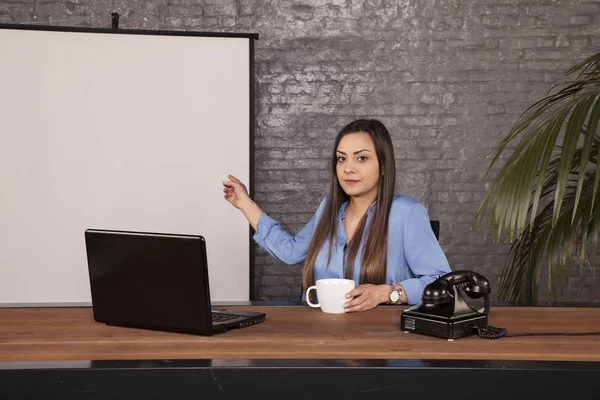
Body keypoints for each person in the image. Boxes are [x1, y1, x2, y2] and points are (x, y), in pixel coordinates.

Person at [223, 119, 451, 312]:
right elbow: (291, 252)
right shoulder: (329, 208)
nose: (347, 168)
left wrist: (386, 293)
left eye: (361, 158)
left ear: (383, 165)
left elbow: (442, 283)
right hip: (321, 339)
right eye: (341, 158)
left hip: (383, 343)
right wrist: (244, 202)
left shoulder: (406, 212)